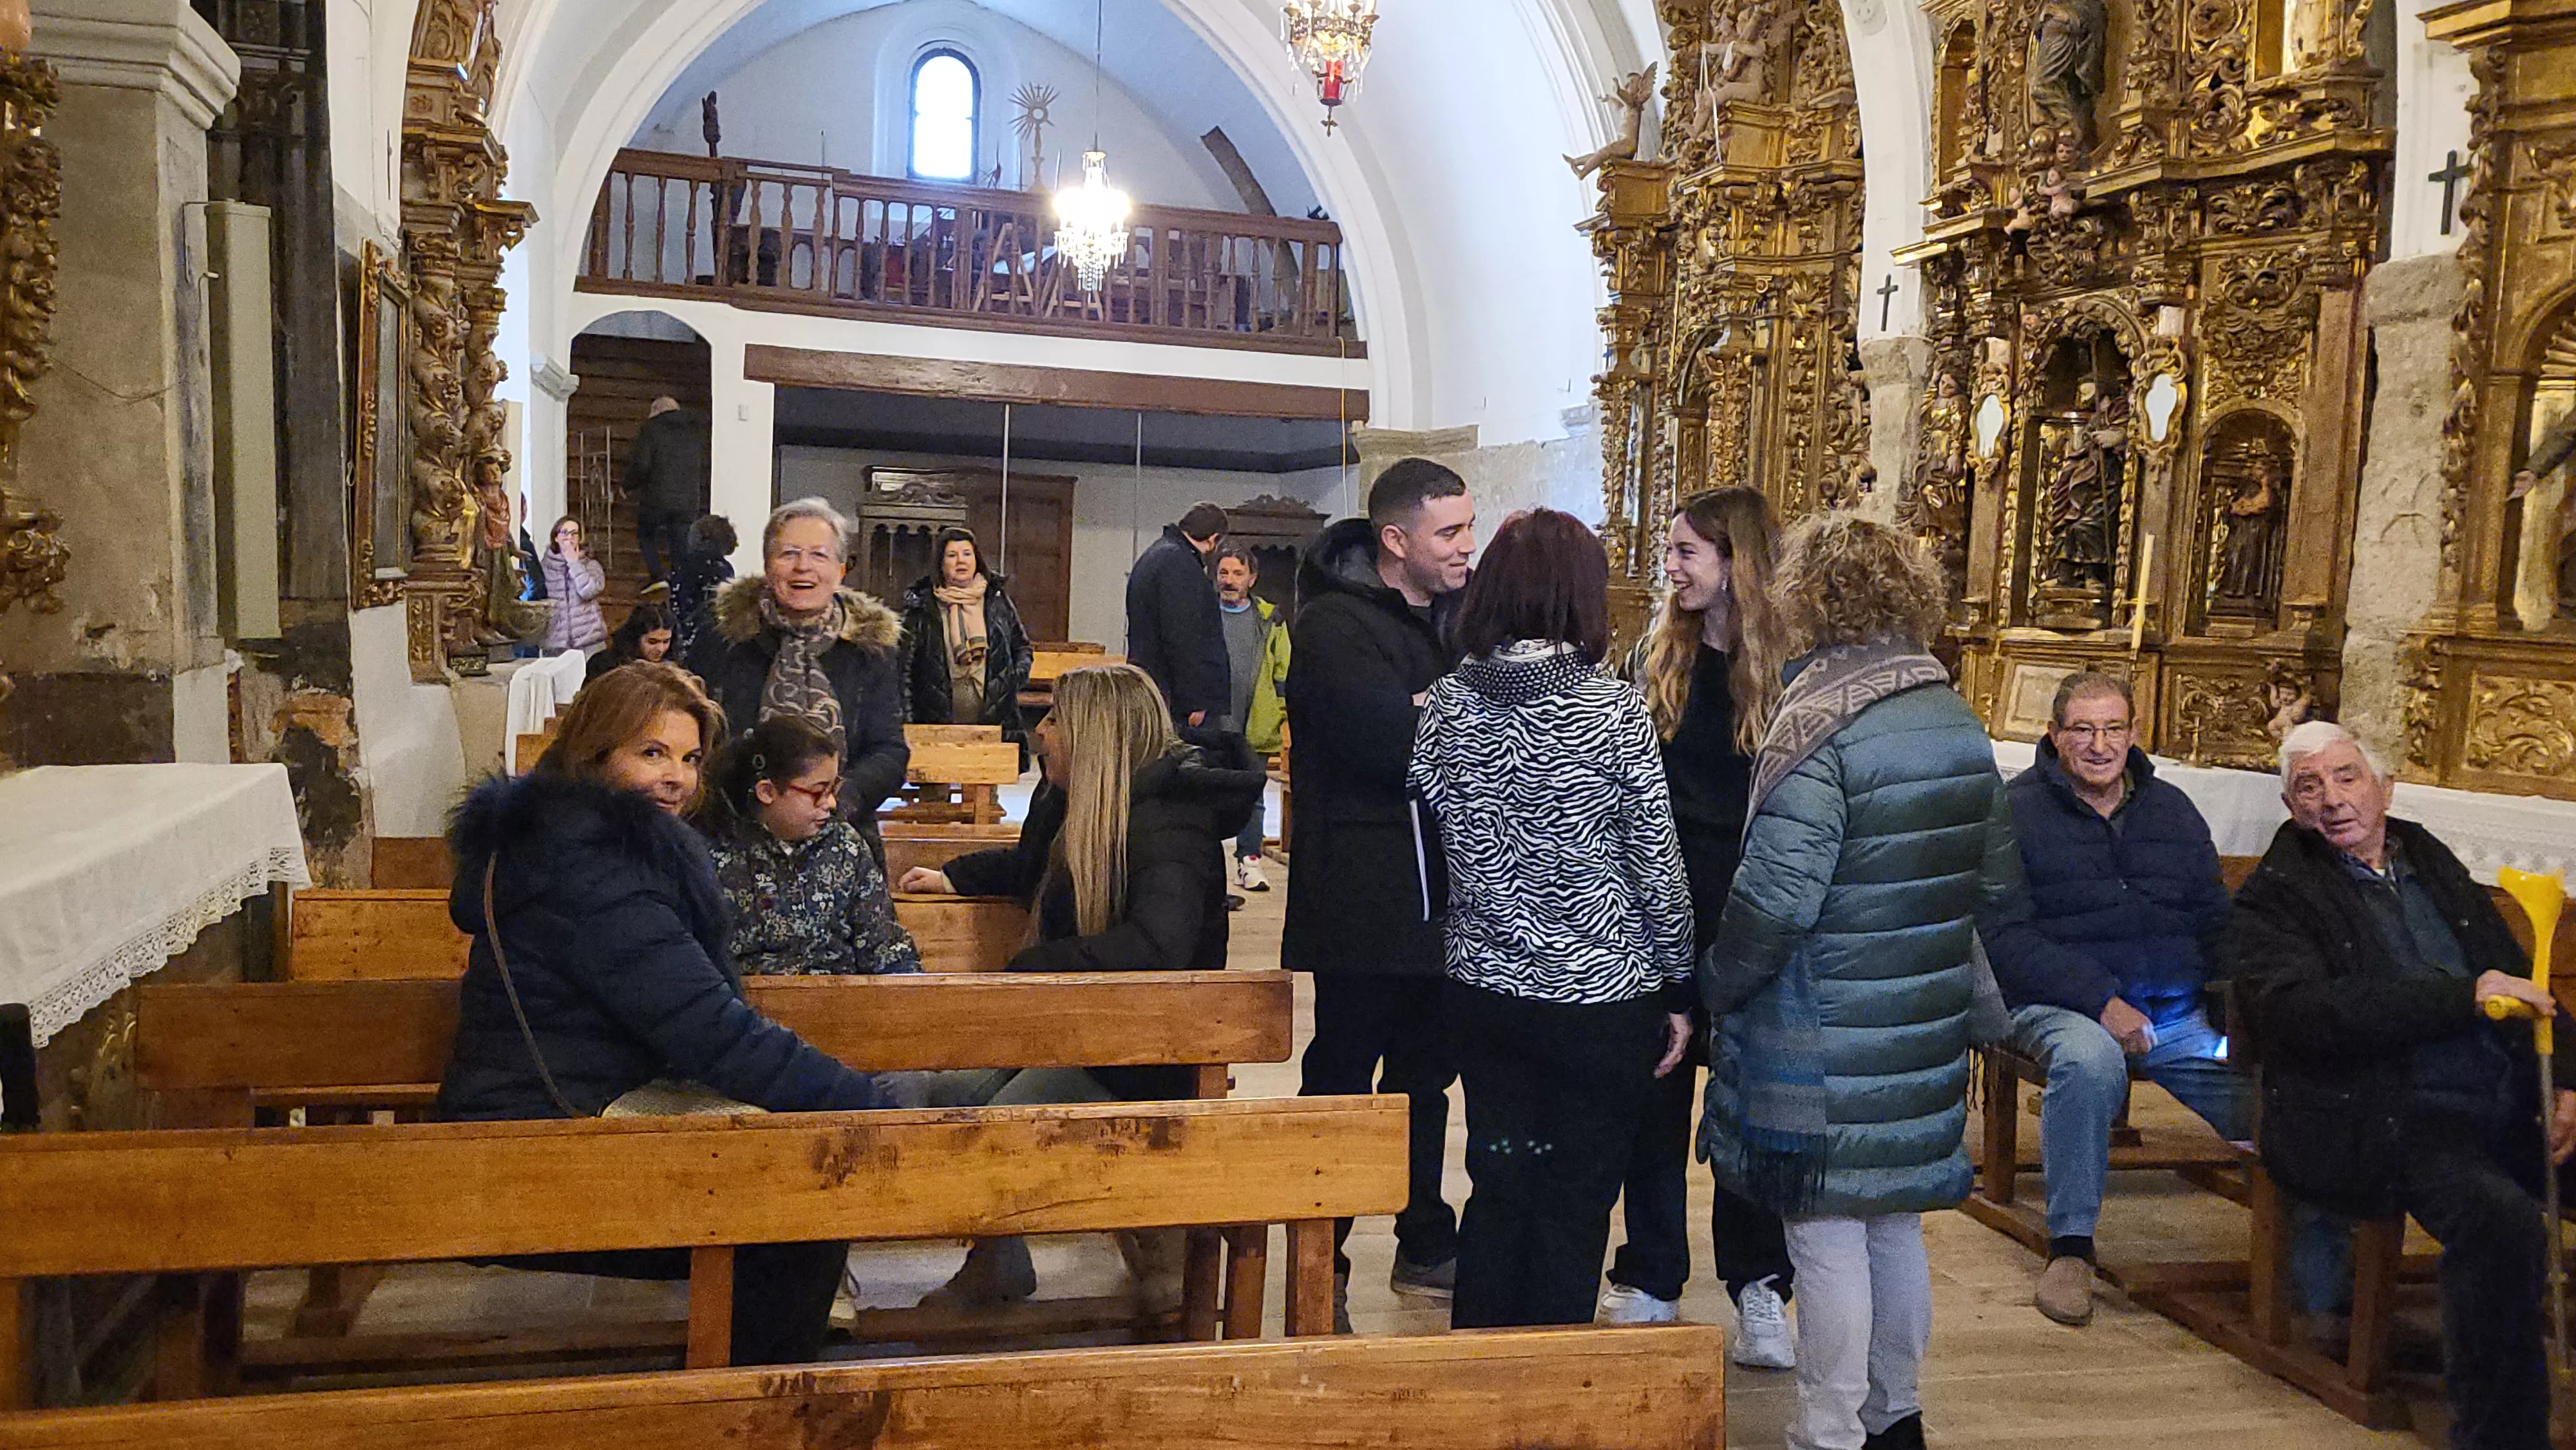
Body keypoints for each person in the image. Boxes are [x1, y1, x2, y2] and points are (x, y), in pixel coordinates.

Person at [436, 661, 895, 1366]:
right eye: (651, 752)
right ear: (595, 754)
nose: (676, 776)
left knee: (793, 1179)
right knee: (799, 1197)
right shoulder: (590, 867)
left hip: (570, 1098)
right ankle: (745, 1408)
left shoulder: (573, 843)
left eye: (689, 757)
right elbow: (710, 1028)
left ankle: (745, 1390)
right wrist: (860, 1099)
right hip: (538, 1128)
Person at [1698, 513, 2016, 1450]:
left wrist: (1717, 981)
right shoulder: (1952, 714)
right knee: (1893, 1227)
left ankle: (1826, 1432)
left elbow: (1777, 903)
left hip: (1820, 1028)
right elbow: (1996, 878)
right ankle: (1895, 1416)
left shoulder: (1819, 720)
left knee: (1824, 1231)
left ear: (1808, 600)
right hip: (1918, 1019)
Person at [2233, 720, 2576, 1450]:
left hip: (2505, 1094)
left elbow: (2513, 967)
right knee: (2500, 1220)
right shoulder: (2277, 894)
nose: (2331, 799)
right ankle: (2501, 1436)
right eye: (2309, 786)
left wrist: (2569, 1078)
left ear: (2384, 787)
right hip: (2382, 1111)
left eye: (2346, 776)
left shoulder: (2424, 856)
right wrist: (2458, 998)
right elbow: (2304, 1015)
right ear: (2291, 807)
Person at [897, 663, 1265, 1308]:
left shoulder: (1169, 821)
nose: (1040, 732)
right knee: (935, 1092)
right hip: (1080, 1030)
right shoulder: (1072, 797)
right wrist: (955, 875)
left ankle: (1161, 1248)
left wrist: (1035, 968)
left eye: (1053, 718)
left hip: (1145, 1052)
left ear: (1094, 732)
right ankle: (998, 1258)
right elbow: (1028, 866)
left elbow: (1159, 945)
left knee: (997, 1122)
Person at [1407, 509, 1694, 1329]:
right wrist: (1678, 982)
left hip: (1484, 990)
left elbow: (1428, 835)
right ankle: (1547, 1397)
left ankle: (1483, 1379)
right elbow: (1655, 866)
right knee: (1572, 1198)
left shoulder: (1447, 703)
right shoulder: (1609, 710)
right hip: (1597, 1000)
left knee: (1499, 1181)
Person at [1981, 669, 2249, 1326]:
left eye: (2112, 728)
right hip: (2059, 1004)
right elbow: (2002, 934)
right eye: (2082, 729)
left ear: (2133, 734)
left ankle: (2311, 1270)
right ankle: (2070, 1247)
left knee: (2279, 1098)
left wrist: (2239, 1005)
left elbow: (2215, 916)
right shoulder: (2014, 812)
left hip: (2176, 1011)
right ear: (2053, 735)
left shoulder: (2172, 810)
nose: (2099, 744)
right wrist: (2098, 998)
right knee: (2087, 1063)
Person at [1601, 487, 1799, 1370]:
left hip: (1753, 906)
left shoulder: (1791, 667)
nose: (1672, 567)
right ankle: (1650, 1272)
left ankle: (1760, 1287)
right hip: (1663, 903)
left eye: (1687, 552)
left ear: (1737, 562)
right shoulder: (1657, 655)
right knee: (1654, 1094)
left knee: (1749, 1108)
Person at [1284, 458, 1479, 1319]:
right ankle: (1319, 1256)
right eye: (1449, 532)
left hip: (1445, 890)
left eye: (1470, 527)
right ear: (1395, 541)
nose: (1466, 546)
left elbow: (1466, 731)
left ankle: (1425, 1239)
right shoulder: (1332, 625)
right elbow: (1394, 747)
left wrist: (1432, 706)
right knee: (1341, 1074)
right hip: (1362, 892)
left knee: (1425, 1082)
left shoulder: (1458, 619)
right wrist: (1444, 716)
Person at [687, 498, 909, 867]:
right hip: (735, 834)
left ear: (840, 570)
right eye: (788, 554)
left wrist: (835, 800)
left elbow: (889, 751)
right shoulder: (724, 638)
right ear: (767, 566)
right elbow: (697, 735)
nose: (803, 567)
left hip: (841, 831)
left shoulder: (870, 649)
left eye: (818, 556)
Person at [703, 713, 923, 978]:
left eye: (834, 789)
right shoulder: (714, 851)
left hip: (841, 1006)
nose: (831, 804)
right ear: (767, 792)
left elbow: (887, 950)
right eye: (819, 792)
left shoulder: (846, 848)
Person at [896, 527, 1032, 751]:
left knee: (983, 783)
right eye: (952, 555)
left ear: (977, 559)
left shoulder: (995, 600)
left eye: (967, 554)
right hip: (934, 722)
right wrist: (908, 721)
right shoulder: (922, 606)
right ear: (941, 563)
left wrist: (1010, 682)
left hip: (992, 722)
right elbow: (904, 667)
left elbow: (1022, 647)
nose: (961, 561)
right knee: (935, 783)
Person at [1214, 544, 1289, 891]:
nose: (1229, 581)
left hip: (1256, 719)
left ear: (1252, 579)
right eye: (1224, 573)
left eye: (1237, 574)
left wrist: (1284, 716)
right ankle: (1207, 868)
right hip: (1213, 721)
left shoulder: (1270, 619)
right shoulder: (1202, 614)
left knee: (1253, 795)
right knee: (1208, 792)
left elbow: (1284, 672)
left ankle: (1250, 861)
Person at [1124, 500, 1230, 730]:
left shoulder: (1157, 554)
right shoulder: (1180, 564)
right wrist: (1195, 699)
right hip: (1173, 698)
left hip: (1153, 687)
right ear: (1213, 539)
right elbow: (1183, 637)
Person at [623, 397, 710, 581]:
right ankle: (679, 584)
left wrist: (627, 486)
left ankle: (658, 576)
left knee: (645, 534)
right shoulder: (694, 430)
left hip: (657, 499)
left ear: (658, 410)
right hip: (688, 502)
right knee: (680, 543)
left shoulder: (652, 428)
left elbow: (641, 464)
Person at [670, 514, 737, 661]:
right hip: (712, 638)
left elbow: (677, 604)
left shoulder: (686, 565)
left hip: (688, 637)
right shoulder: (725, 568)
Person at [539, 514, 607, 654]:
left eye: (574, 534)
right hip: (555, 644)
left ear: (580, 539)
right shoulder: (545, 567)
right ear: (556, 537)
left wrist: (574, 563)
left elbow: (588, 592)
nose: (569, 538)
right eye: (564, 532)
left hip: (589, 643)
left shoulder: (592, 565)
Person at [585, 602, 676, 684]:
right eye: (652, 642)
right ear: (636, 638)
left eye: (666, 641)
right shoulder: (605, 665)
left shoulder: (676, 671)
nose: (660, 649)